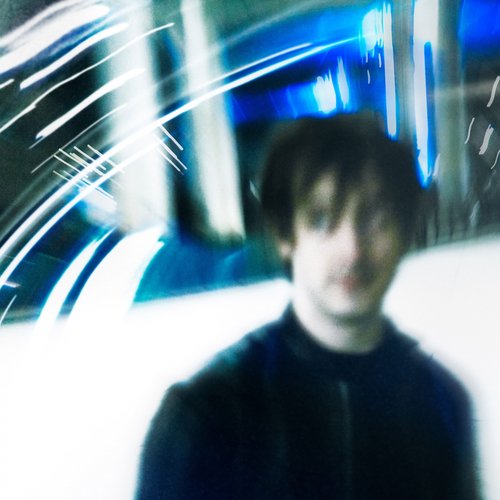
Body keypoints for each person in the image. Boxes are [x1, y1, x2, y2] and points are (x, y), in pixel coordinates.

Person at [135, 113, 479, 499]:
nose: (352, 249)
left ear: (405, 233)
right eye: (321, 220)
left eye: (376, 218)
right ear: (285, 234)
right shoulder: (206, 415)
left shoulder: (442, 403)